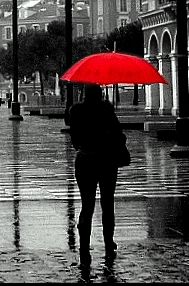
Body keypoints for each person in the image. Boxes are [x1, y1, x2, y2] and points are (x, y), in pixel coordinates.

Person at [68, 83, 125, 266]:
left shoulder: (77, 112)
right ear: (100, 94)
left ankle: (84, 246)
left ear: (84, 94)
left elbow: (75, 141)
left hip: (85, 160)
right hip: (107, 161)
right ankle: (109, 241)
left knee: (87, 204)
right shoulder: (107, 111)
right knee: (108, 203)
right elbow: (119, 135)